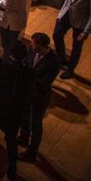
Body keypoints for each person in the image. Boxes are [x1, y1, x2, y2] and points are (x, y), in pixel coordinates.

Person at [0, 41, 33, 180]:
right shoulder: (29, 74)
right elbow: (30, 93)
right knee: (11, 138)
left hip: (0, 103)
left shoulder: (2, 67)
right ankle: (12, 167)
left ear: (11, 55)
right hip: (16, 109)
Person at [20, 32, 59, 162]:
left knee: (36, 123)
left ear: (42, 46)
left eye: (34, 45)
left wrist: (28, 76)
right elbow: (27, 61)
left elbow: (45, 82)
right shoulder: (33, 49)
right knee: (25, 115)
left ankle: (32, 153)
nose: (32, 47)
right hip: (28, 91)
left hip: (40, 96)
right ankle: (23, 137)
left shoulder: (54, 62)